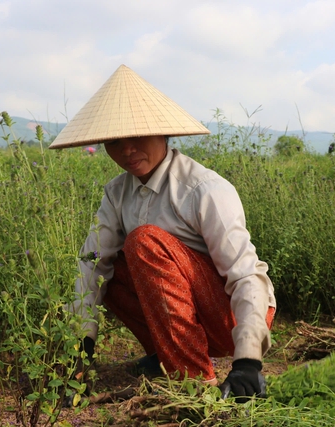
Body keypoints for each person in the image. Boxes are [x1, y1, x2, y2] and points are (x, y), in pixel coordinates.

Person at [49, 65, 276, 401]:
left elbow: (245, 274)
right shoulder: (117, 193)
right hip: (180, 311)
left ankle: (194, 381)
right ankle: (166, 357)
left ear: (164, 134)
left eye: (137, 137)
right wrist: (78, 353)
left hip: (227, 316)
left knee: (143, 242)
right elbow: (92, 267)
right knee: (106, 273)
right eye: (115, 141)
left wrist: (247, 360)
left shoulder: (203, 189)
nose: (127, 150)